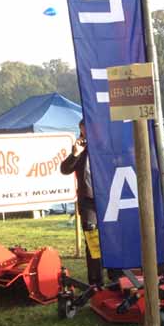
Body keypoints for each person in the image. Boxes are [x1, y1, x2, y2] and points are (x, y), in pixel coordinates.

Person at [60, 118, 103, 287]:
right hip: (88, 201)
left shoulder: (104, 145)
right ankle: (95, 282)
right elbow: (64, 169)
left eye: (88, 129)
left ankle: (116, 274)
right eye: (83, 130)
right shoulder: (80, 148)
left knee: (112, 237)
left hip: (107, 198)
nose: (86, 133)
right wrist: (75, 153)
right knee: (92, 239)